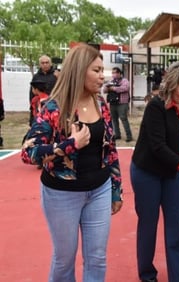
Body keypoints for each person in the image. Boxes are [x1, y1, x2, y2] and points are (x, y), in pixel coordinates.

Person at [21, 43, 123, 282]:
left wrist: (116, 189)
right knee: (64, 259)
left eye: (103, 70)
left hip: (99, 190)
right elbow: (29, 152)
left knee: (97, 258)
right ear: (79, 71)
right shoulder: (53, 107)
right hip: (61, 193)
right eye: (96, 70)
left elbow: (110, 149)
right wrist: (69, 144)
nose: (102, 76)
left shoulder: (101, 104)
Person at [130, 62, 179, 282]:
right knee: (148, 224)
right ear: (172, 85)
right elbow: (158, 146)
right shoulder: (156, 107)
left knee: (175, 224)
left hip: (172, 173)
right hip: (147, 172)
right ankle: (147, 274)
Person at [103, 67, 133, 142]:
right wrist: (108, 88)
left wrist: (113, 88)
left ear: (119, 73)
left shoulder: (124, 81)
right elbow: (104, 90)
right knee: (114, 120)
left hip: (122, 103)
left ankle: (129, 136)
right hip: (113, 103)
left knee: (123, 119)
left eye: (115, 72)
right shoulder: (111, 81)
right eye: (112, 73)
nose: (114, 74)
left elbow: (125, 88)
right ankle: (117, 134)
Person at [29, 55, 58, 125]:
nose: (45, 64)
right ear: (40, 64)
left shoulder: (56, 75)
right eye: (42, 63)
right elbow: (31, 94)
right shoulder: (36, 77)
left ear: (50, 63)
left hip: (53, 107)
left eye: (47, 62)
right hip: (39, 108)